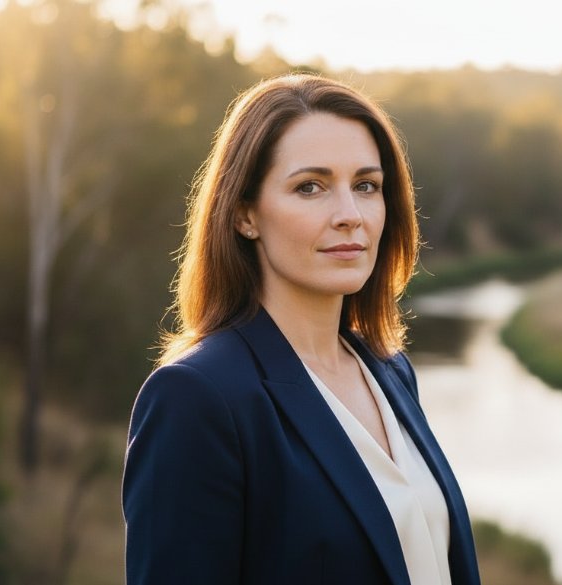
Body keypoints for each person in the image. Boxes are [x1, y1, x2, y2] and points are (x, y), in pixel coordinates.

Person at [122, 73, 481, 585]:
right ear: (245, 214)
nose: (350, 215)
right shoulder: (196, 398)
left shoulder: (390, 371)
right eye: (310, 187)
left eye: (366, 186)